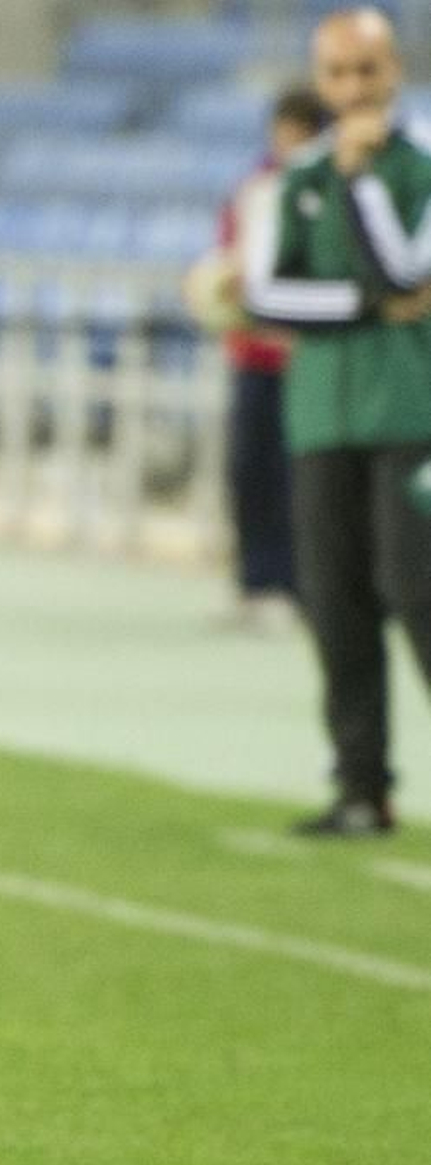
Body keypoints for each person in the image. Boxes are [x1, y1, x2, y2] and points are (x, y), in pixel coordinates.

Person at [244, 6, 431, 837]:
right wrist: (365, 305)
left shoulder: (421, 168)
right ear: (320, 82)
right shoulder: (297, 177)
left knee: (418, 590)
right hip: (320, 417)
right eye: (338, 74)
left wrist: (361, 185)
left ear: (396, 71)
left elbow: (407, 270)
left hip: (413, 410)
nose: (354, 89)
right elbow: (266, 296)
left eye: (369, 71)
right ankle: (362, 786)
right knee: (336, 600)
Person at [185, 85, 328, 631]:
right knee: (250, 470)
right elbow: (229, 261)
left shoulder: (328, 191)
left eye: (299, 133)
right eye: (282, 132)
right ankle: (255, 583)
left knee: (303, 478)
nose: (288, 142)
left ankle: (301, 587)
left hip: (307, 360)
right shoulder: (253, 189)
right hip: (253, 357)